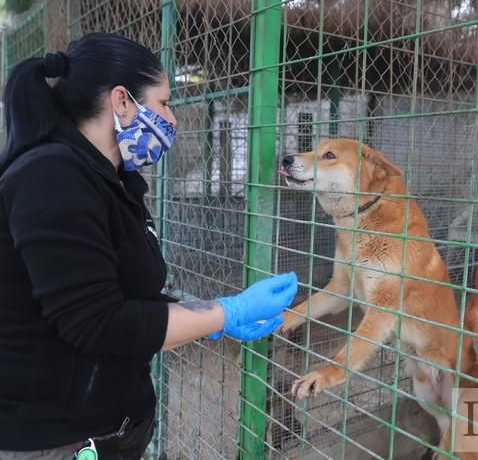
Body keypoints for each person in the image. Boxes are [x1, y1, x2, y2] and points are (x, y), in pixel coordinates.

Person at [0, 32, 297, 459]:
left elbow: (123, 295)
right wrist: (223, 313)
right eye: (163, 103)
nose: (172, 118)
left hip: (108, 427)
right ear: (121, 101)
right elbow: (97, 321)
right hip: (54, 439)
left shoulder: (114, 181)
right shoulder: (50, 177)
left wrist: (211, 316)